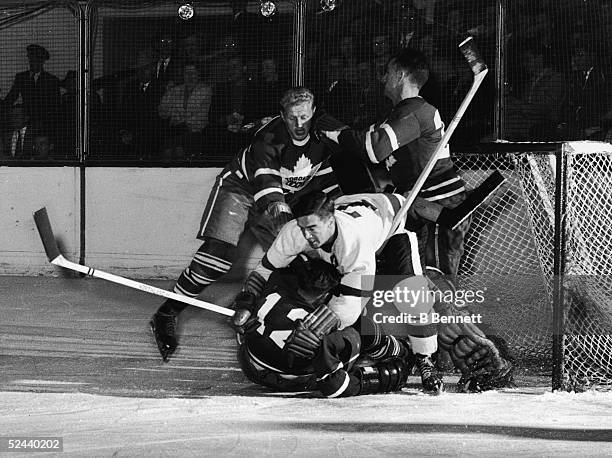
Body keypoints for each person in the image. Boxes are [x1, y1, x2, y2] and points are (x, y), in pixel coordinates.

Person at [150, 87, 345, 362]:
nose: (299, 125)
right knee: (218, 257)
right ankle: (167, 312)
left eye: (304, 117)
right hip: (241, 189)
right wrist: (294, 235)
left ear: (313, 113)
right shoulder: (267, 139)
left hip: (283, 197)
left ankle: (255, 311)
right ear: (282, 116)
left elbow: (331, 184)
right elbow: (270, 196)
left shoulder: (324, 135)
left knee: (294, 263)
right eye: (292, 118)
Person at [233, 191, 444, 393]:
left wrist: (315, 331)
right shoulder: (294, 231)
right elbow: (265, 269)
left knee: (412, 294)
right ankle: (374, 346)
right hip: (352, 209)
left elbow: (349, 308)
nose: (306, 235)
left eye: (312, 228)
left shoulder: (355, 245)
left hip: (392, 223)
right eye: (302, 227)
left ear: (330, 221)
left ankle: (425, 358)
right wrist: (247, 303)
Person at [322, 48, 470, 278]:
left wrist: (332, 130)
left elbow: (373, 149)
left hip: (439, 208)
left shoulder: (416, 111)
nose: (383, 78)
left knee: (437, 285)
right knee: (414, 286)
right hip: (420, 206)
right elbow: (363, 142)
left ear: (400, 75)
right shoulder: (399, 113)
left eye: (388, 72)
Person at [235, 255, 415, 397]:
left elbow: (251, 290)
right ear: (325, 294)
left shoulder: (275, 281)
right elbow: (335, 386)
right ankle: (401, 350)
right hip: (296, 380)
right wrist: (383, 377)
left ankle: (392, 348)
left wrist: (246, 309)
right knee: (358, 323)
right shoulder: (319, 331)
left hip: (251, 365)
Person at [3, 44, 61, 125]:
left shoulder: (52, 80)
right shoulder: (21, 77)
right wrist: (3, 108)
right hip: (24, 120)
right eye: (31, 58)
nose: (33, 61)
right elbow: (12, 96)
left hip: (44, 121)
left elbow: (56, 104)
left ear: (43, 61)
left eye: (37, 59)